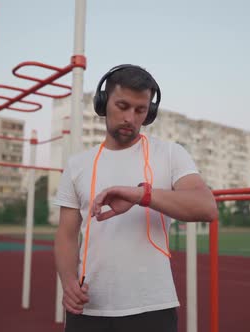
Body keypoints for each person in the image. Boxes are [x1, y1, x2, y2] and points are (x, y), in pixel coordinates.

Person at [53, 64, 218, 332]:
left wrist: (143, 195)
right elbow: (66, 235)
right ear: (103, 103)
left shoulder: (170, 154)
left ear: (150, 113)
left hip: (152, 307)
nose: (130, 117)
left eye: (141, 110)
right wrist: (68, 280)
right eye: (122, 106)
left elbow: (207, 207)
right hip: (88, 308)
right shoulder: (77, 165)